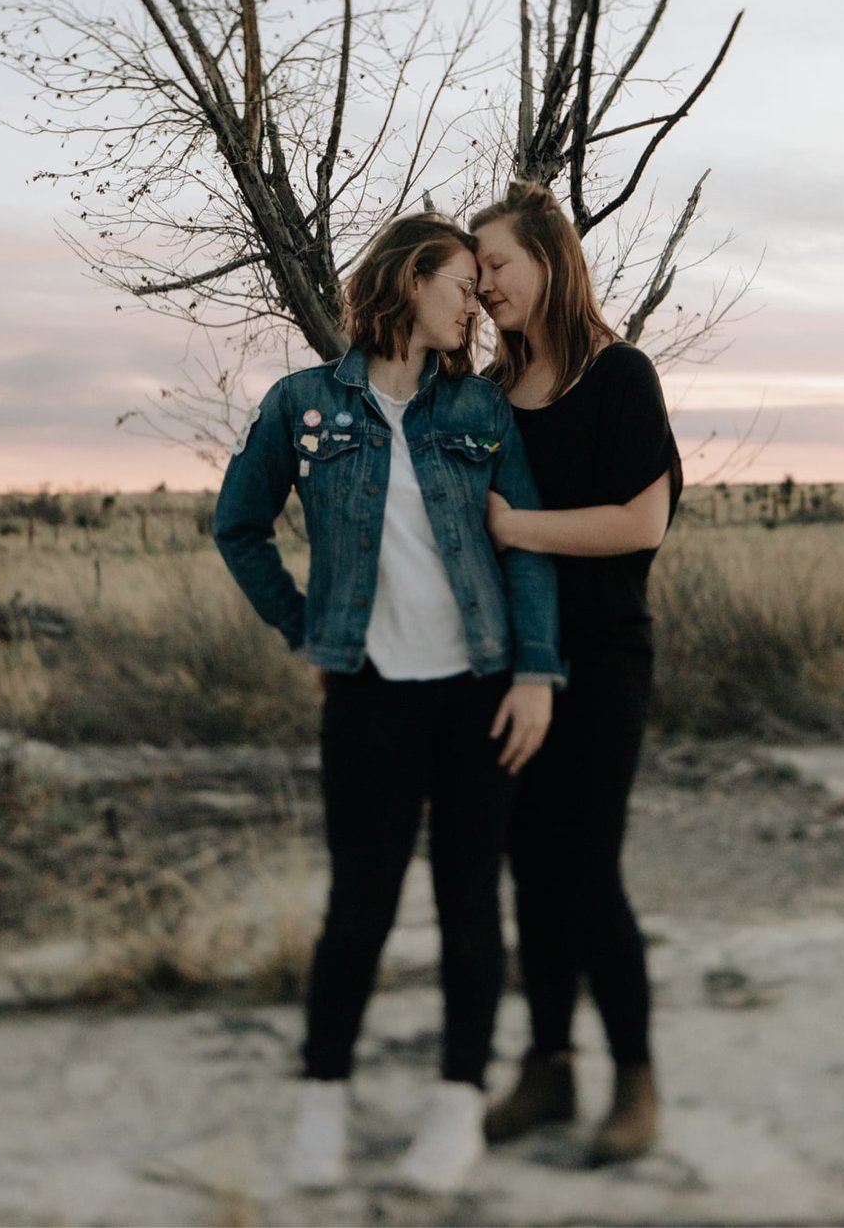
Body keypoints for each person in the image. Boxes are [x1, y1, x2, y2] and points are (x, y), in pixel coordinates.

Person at [212, 210, 564, 1193]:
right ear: (411, 281)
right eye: (460, 284)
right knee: (358, 905)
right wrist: (305, 627)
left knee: (466, 905)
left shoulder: (480, 412)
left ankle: (457, 1108)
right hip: (369, 696)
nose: (474, 303)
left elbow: (525, 539)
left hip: (479, 692)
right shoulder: (304, 404)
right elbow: (236, 525)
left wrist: (535, 672)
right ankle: (321, 1099)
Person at [469, 179, 681, 1166]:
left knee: (586, 869)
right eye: (476, 274)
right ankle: (549, 1067)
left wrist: (519, 527)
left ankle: (634, 1077)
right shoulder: (487, 398)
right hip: (510, 662)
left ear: (550, 261)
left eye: (498, 265)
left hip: (600, 656)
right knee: (530, 872)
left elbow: (641, 524)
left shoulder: (619, 377)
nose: (485, 287)